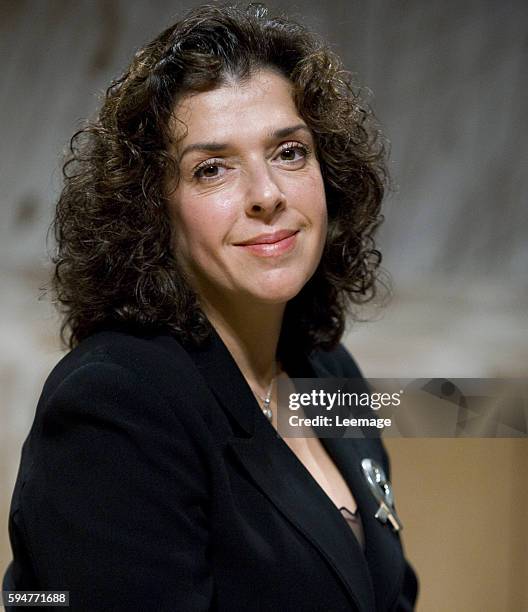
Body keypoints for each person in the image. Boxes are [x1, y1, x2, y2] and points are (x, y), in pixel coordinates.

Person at [4, 4, 418, 610]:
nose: (267, 195)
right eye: (213, 169)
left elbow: (390, 592)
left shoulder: (329, 368)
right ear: (152, 210)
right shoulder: (113, 407)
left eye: (289, 152)